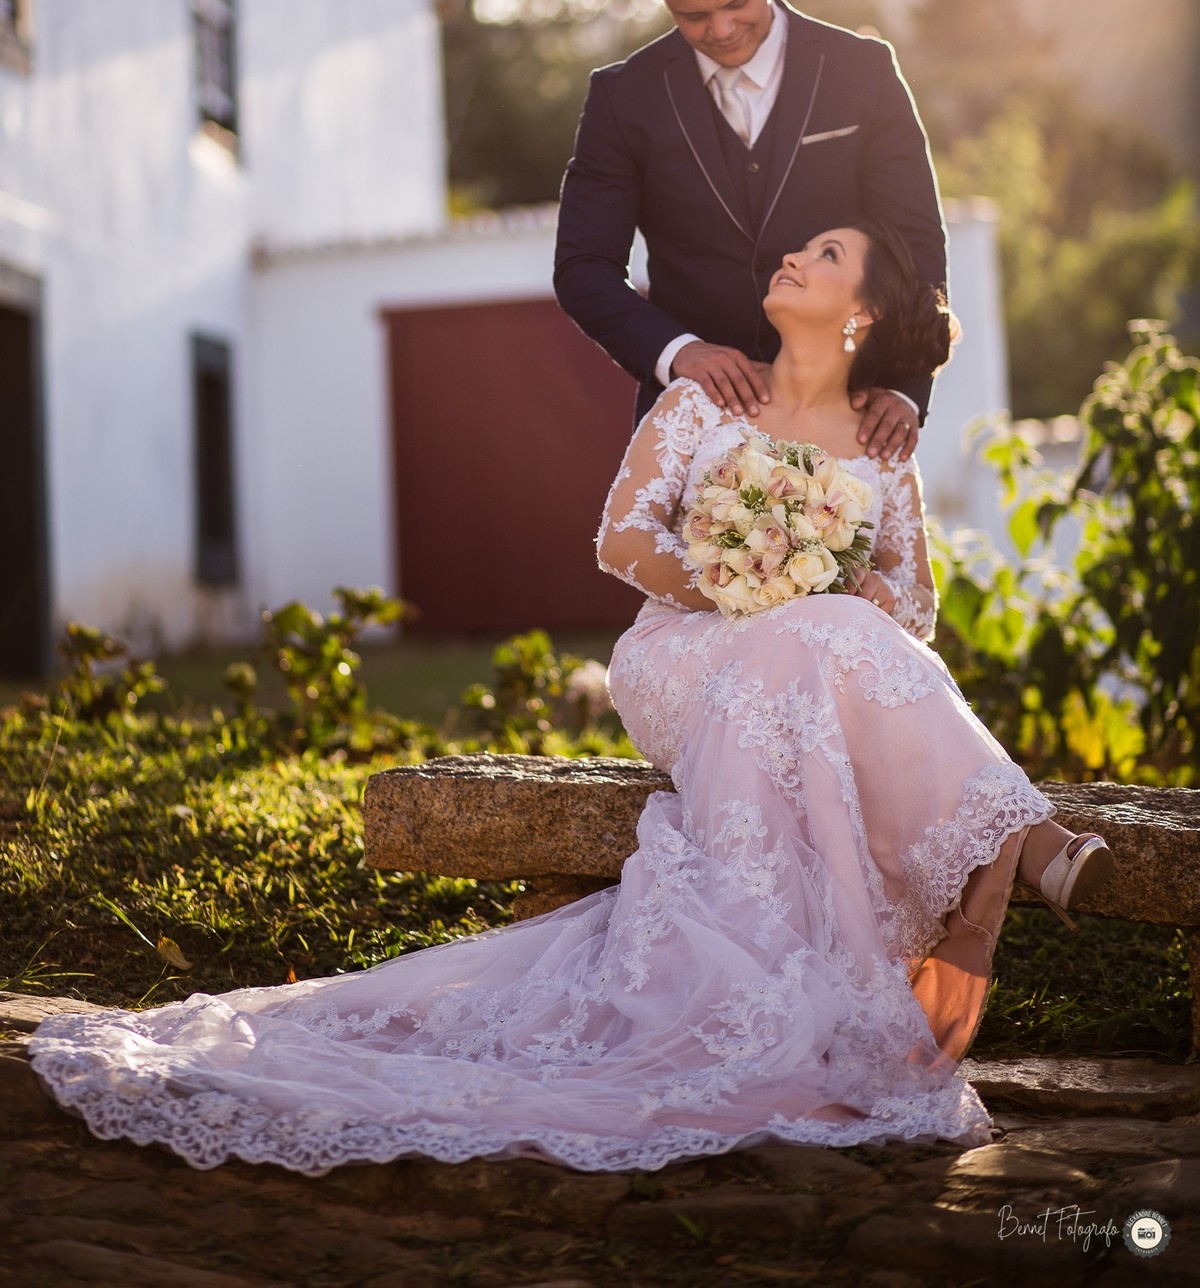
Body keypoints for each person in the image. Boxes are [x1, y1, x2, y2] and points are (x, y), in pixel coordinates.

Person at [25, 221, 1114, 1173]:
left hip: (803, 671)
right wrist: (742, 579)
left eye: (824, 253)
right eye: (800, 244)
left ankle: (991, 865)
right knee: (810, 628)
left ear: (862, 313)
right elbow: (621, 541)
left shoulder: (885, 442)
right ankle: (1017, 845)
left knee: (826, 630)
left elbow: (910, 614)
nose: (792, 254)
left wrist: (840, 585)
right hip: (683, 651)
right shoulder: (705, 397)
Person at [554, 0, 947, 461]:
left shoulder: (861, 70)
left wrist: (907, 387)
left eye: (737, 3)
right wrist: (680, 352)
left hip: (850, 416)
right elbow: (583, 268)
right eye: (693, 15)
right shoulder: (623, 98)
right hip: (694, 426)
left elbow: (914, 240)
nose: (720, 29)